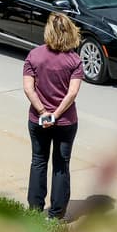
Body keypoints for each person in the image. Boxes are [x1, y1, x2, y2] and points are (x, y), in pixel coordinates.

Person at [22, 12, 83, 220]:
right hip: (65, 122)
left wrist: (42, 112)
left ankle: (35, 208)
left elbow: (28, 88)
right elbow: (72, 93)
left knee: (38, 160)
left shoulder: (34, 55)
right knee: (61, 164)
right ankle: (56, 214)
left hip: (37, 120)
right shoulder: (74, 60)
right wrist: (55, 115)